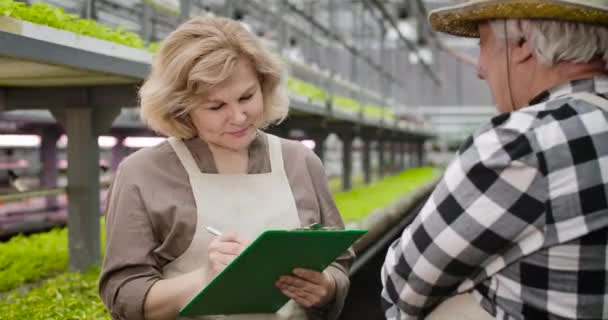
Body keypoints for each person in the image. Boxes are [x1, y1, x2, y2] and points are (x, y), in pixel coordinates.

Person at [99, 16, 353, 320]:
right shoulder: (142, 174)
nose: (238, 117)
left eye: (247, 97)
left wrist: (326, 288)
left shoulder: (301, 162)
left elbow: (339, 264)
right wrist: (204, 279)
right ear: (181, 108)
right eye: (216, 106)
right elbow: (123, 294)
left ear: (264, 84)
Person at [381, 0, 608, 319]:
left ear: (522, 43)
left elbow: (403, 283)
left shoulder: (522, 143)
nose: (479, 69)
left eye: (482, 44)